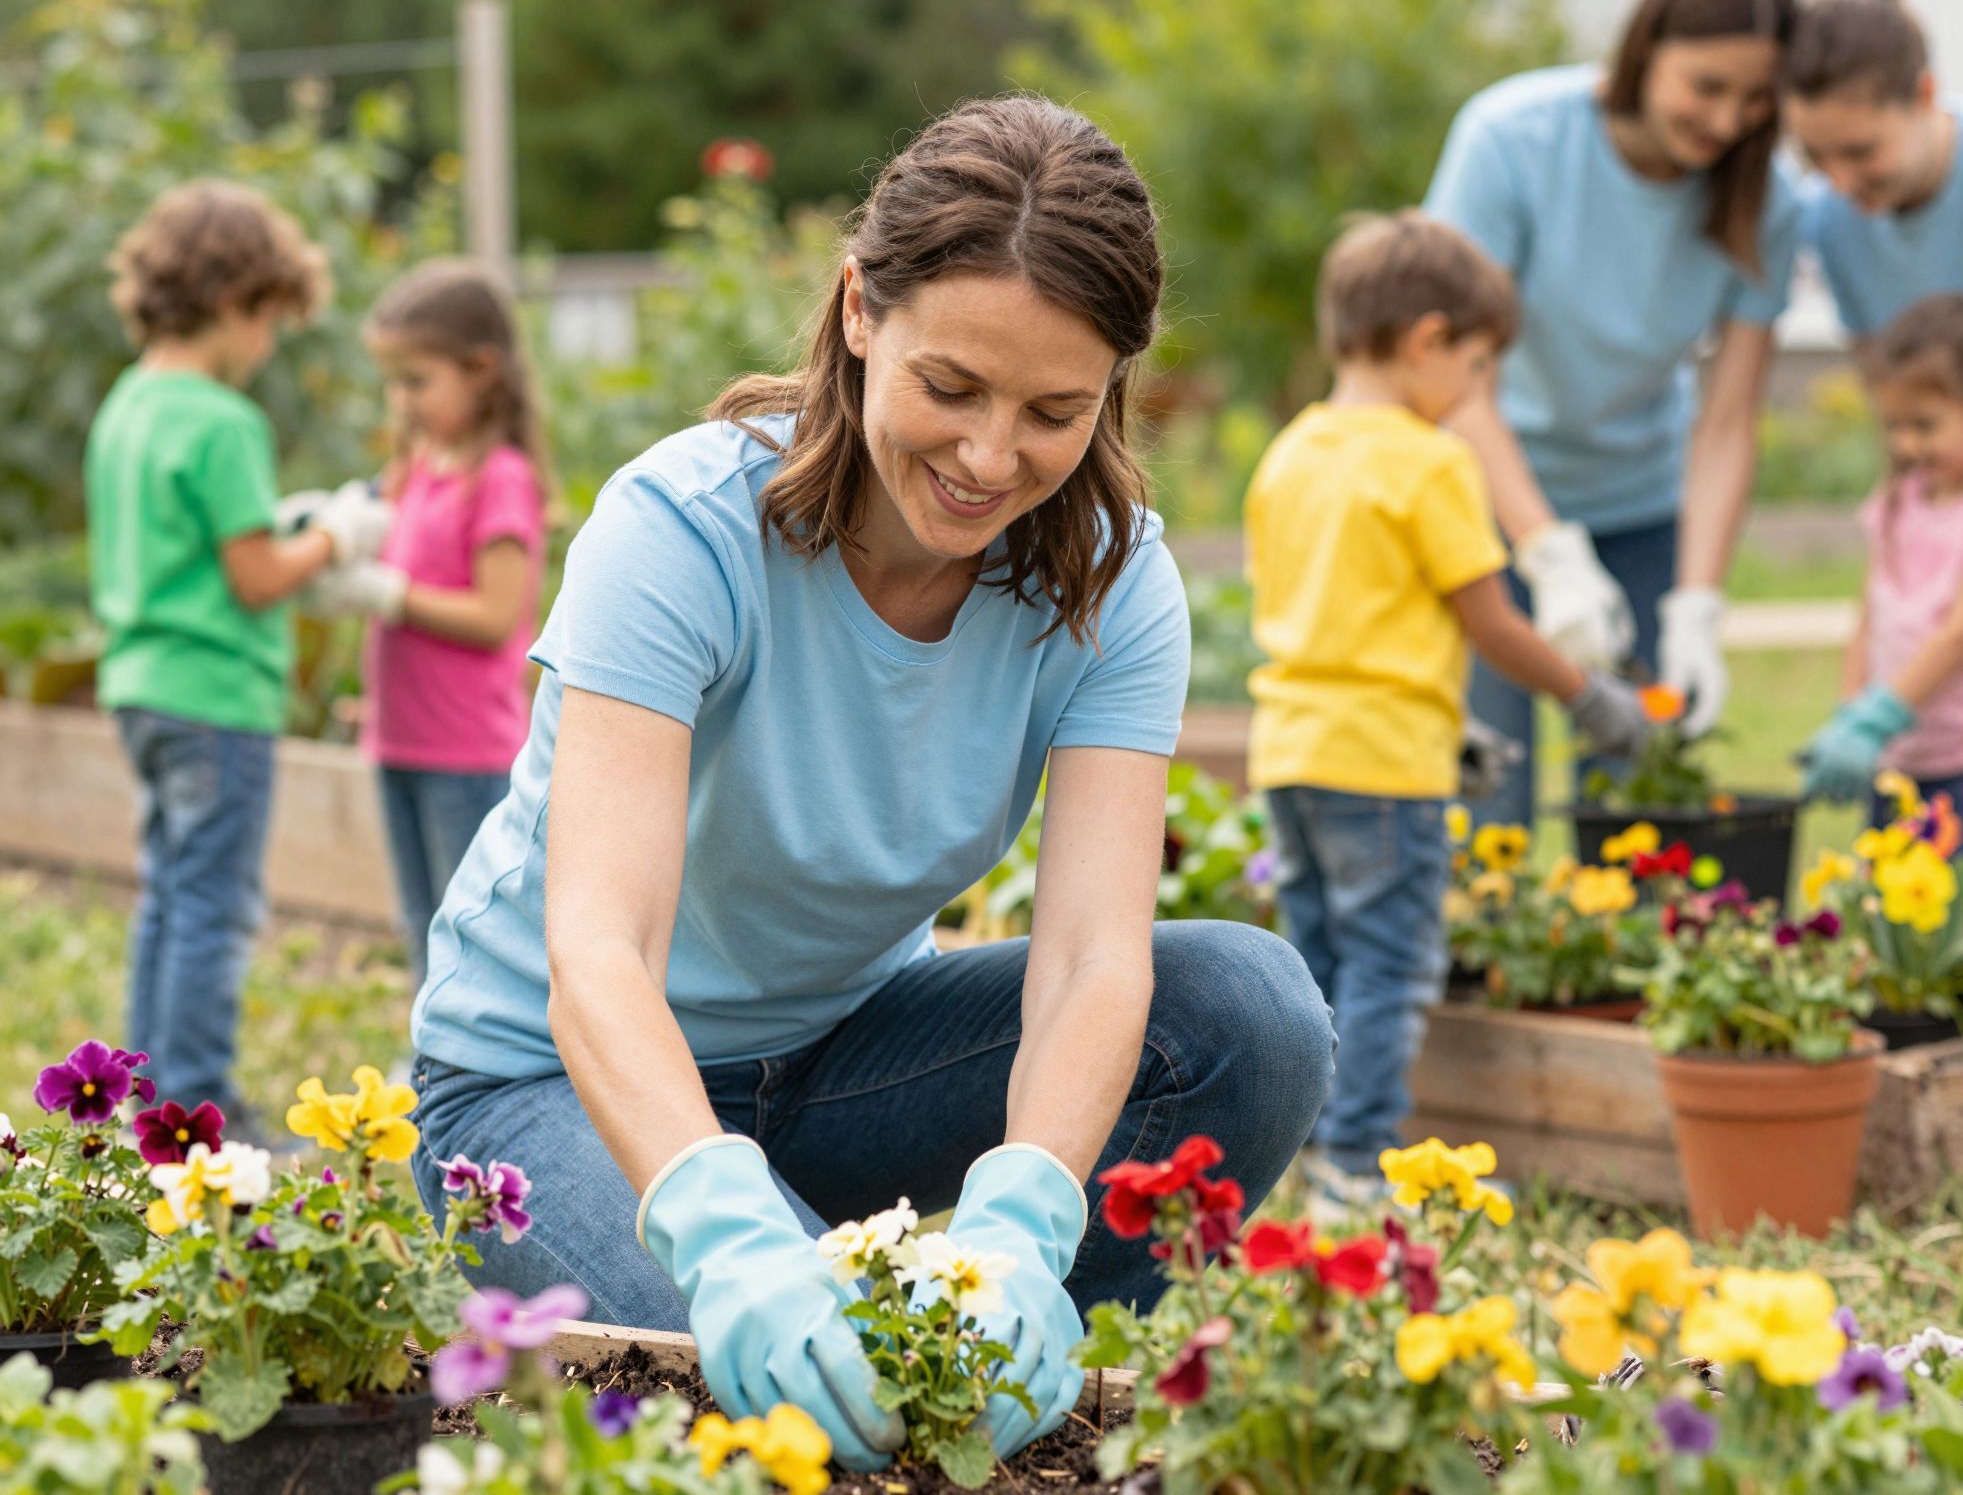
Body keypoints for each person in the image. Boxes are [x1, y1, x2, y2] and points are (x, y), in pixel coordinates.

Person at [404, 96, 1334, 1471]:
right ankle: (853, 1381)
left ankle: (1026, 1413)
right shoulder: (682, 531)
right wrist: (727, 1232)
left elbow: (1092, 959)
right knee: (786, 1405)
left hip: (842, 1058)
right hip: (544, 1085)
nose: (988, 458)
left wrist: (1024, 1221)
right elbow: (598, 952)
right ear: (858, 310)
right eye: (950, 388)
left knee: (1247, 1017)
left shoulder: (1114, 584)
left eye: (1054, 412)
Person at [1245, 212, 1648, 1211]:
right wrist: (1589, 698)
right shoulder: (1428, 463)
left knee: (1318, 964)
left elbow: (1338, 619)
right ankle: (1354, 1164)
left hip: (1291, 750)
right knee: (1389, 967)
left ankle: (1304, 1150)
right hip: (1384, 770)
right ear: (1427, 342)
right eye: (1474, 370)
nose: (1474, 396)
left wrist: (1451, 726)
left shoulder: (1289, 452)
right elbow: (1492, 624)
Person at [1424, 0, 1803, 826]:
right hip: (1484, 507)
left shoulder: (1765, 203)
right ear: (1646, 50)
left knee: (1638, 801)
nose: (1726, 121)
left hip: (1642, 510)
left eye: (1755, 100)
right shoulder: (1513, 139)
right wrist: (1548, 553)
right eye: (1706, 86)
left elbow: (1727, 421)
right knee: (1490, 804)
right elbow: (1454, 380)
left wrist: (1697, 603)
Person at [85, 182, 389, 1129]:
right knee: (215, 906)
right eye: (268, 321)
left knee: (169, 896)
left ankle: (145, 1088)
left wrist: (285, 529)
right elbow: (258, 577)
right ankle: (199, 1098)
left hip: (141, 687)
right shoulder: (222, 421)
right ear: (231, 303)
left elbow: (194, 548)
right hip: (218, 696)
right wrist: (336, 537)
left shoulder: (128, 404)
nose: (267, 346)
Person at [306, 260, 548, 984]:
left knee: (469, 927)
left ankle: (468, 1078)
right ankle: (430, 1070)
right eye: (392, 382)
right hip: (400, 740)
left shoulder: (499, 477)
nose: (399, 401)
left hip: (465, 750)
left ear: (480, 370)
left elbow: (498, 616)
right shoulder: (420, 462)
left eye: (417, 382)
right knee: (419, 922)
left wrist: (390, 595)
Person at [1800, 294, 1963, 863]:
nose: (1906, 444)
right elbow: (1869, 615)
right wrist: (1851, 715)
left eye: (1924, 425)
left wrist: (1881, 715)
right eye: (1893, 425)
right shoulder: (1898, 500)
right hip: (1898, 769)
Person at [1783, 0, 1963, 401]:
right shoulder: (1830, 221)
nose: (1839, 183)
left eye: (1860, 152)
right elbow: (1898, 407)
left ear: (1924, 96)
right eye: (1813, 156)